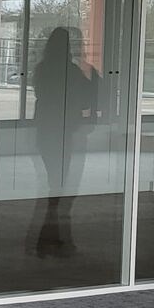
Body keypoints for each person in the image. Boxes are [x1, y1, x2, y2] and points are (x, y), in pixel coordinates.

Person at [30, 26, 97, 257]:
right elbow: (87, 99)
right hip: (65, 132)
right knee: (60, 187)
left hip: (45, 132)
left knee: (52, 184)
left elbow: (40, 94)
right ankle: (50, 238)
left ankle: (46, 238)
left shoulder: (41, 69)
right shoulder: (72, 71)